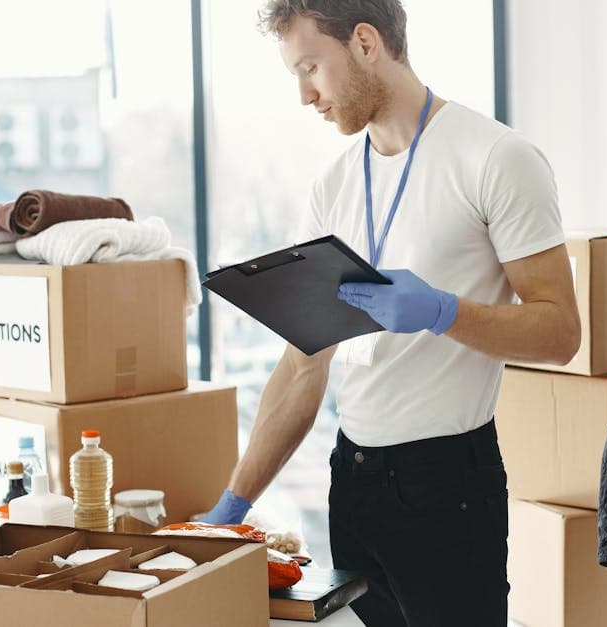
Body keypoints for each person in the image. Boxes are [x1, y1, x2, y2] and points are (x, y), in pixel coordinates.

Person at [199, 1, 579, 624]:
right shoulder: (335, 185)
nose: (304, 95)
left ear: (367, 43)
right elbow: (302, 367)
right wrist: (234, 504)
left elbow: (561, 332)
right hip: (352, 480)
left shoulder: (495, 158)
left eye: (311, 68)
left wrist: (440, 311)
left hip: (448, 486)